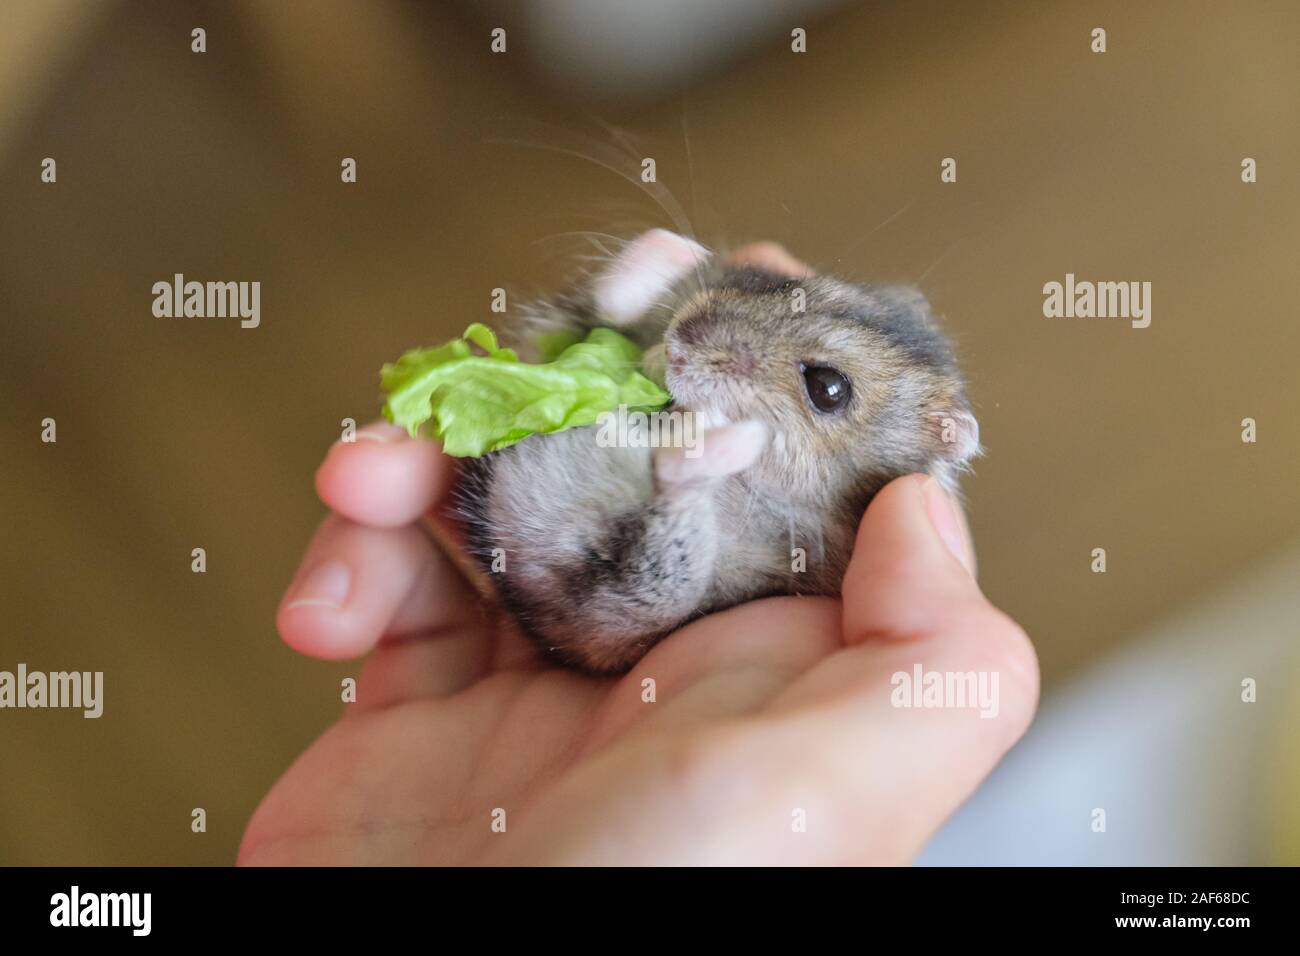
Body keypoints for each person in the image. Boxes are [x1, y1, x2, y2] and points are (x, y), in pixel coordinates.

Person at [238, 243, 1039, 865]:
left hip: (608, 572)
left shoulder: (823, 557)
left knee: (658, 578)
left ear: (938, 447)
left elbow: (649, 602)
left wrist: (683, 489)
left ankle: (679, 486)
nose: (714, 332)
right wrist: (634, 299)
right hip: (575, 497)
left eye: (824, 388)